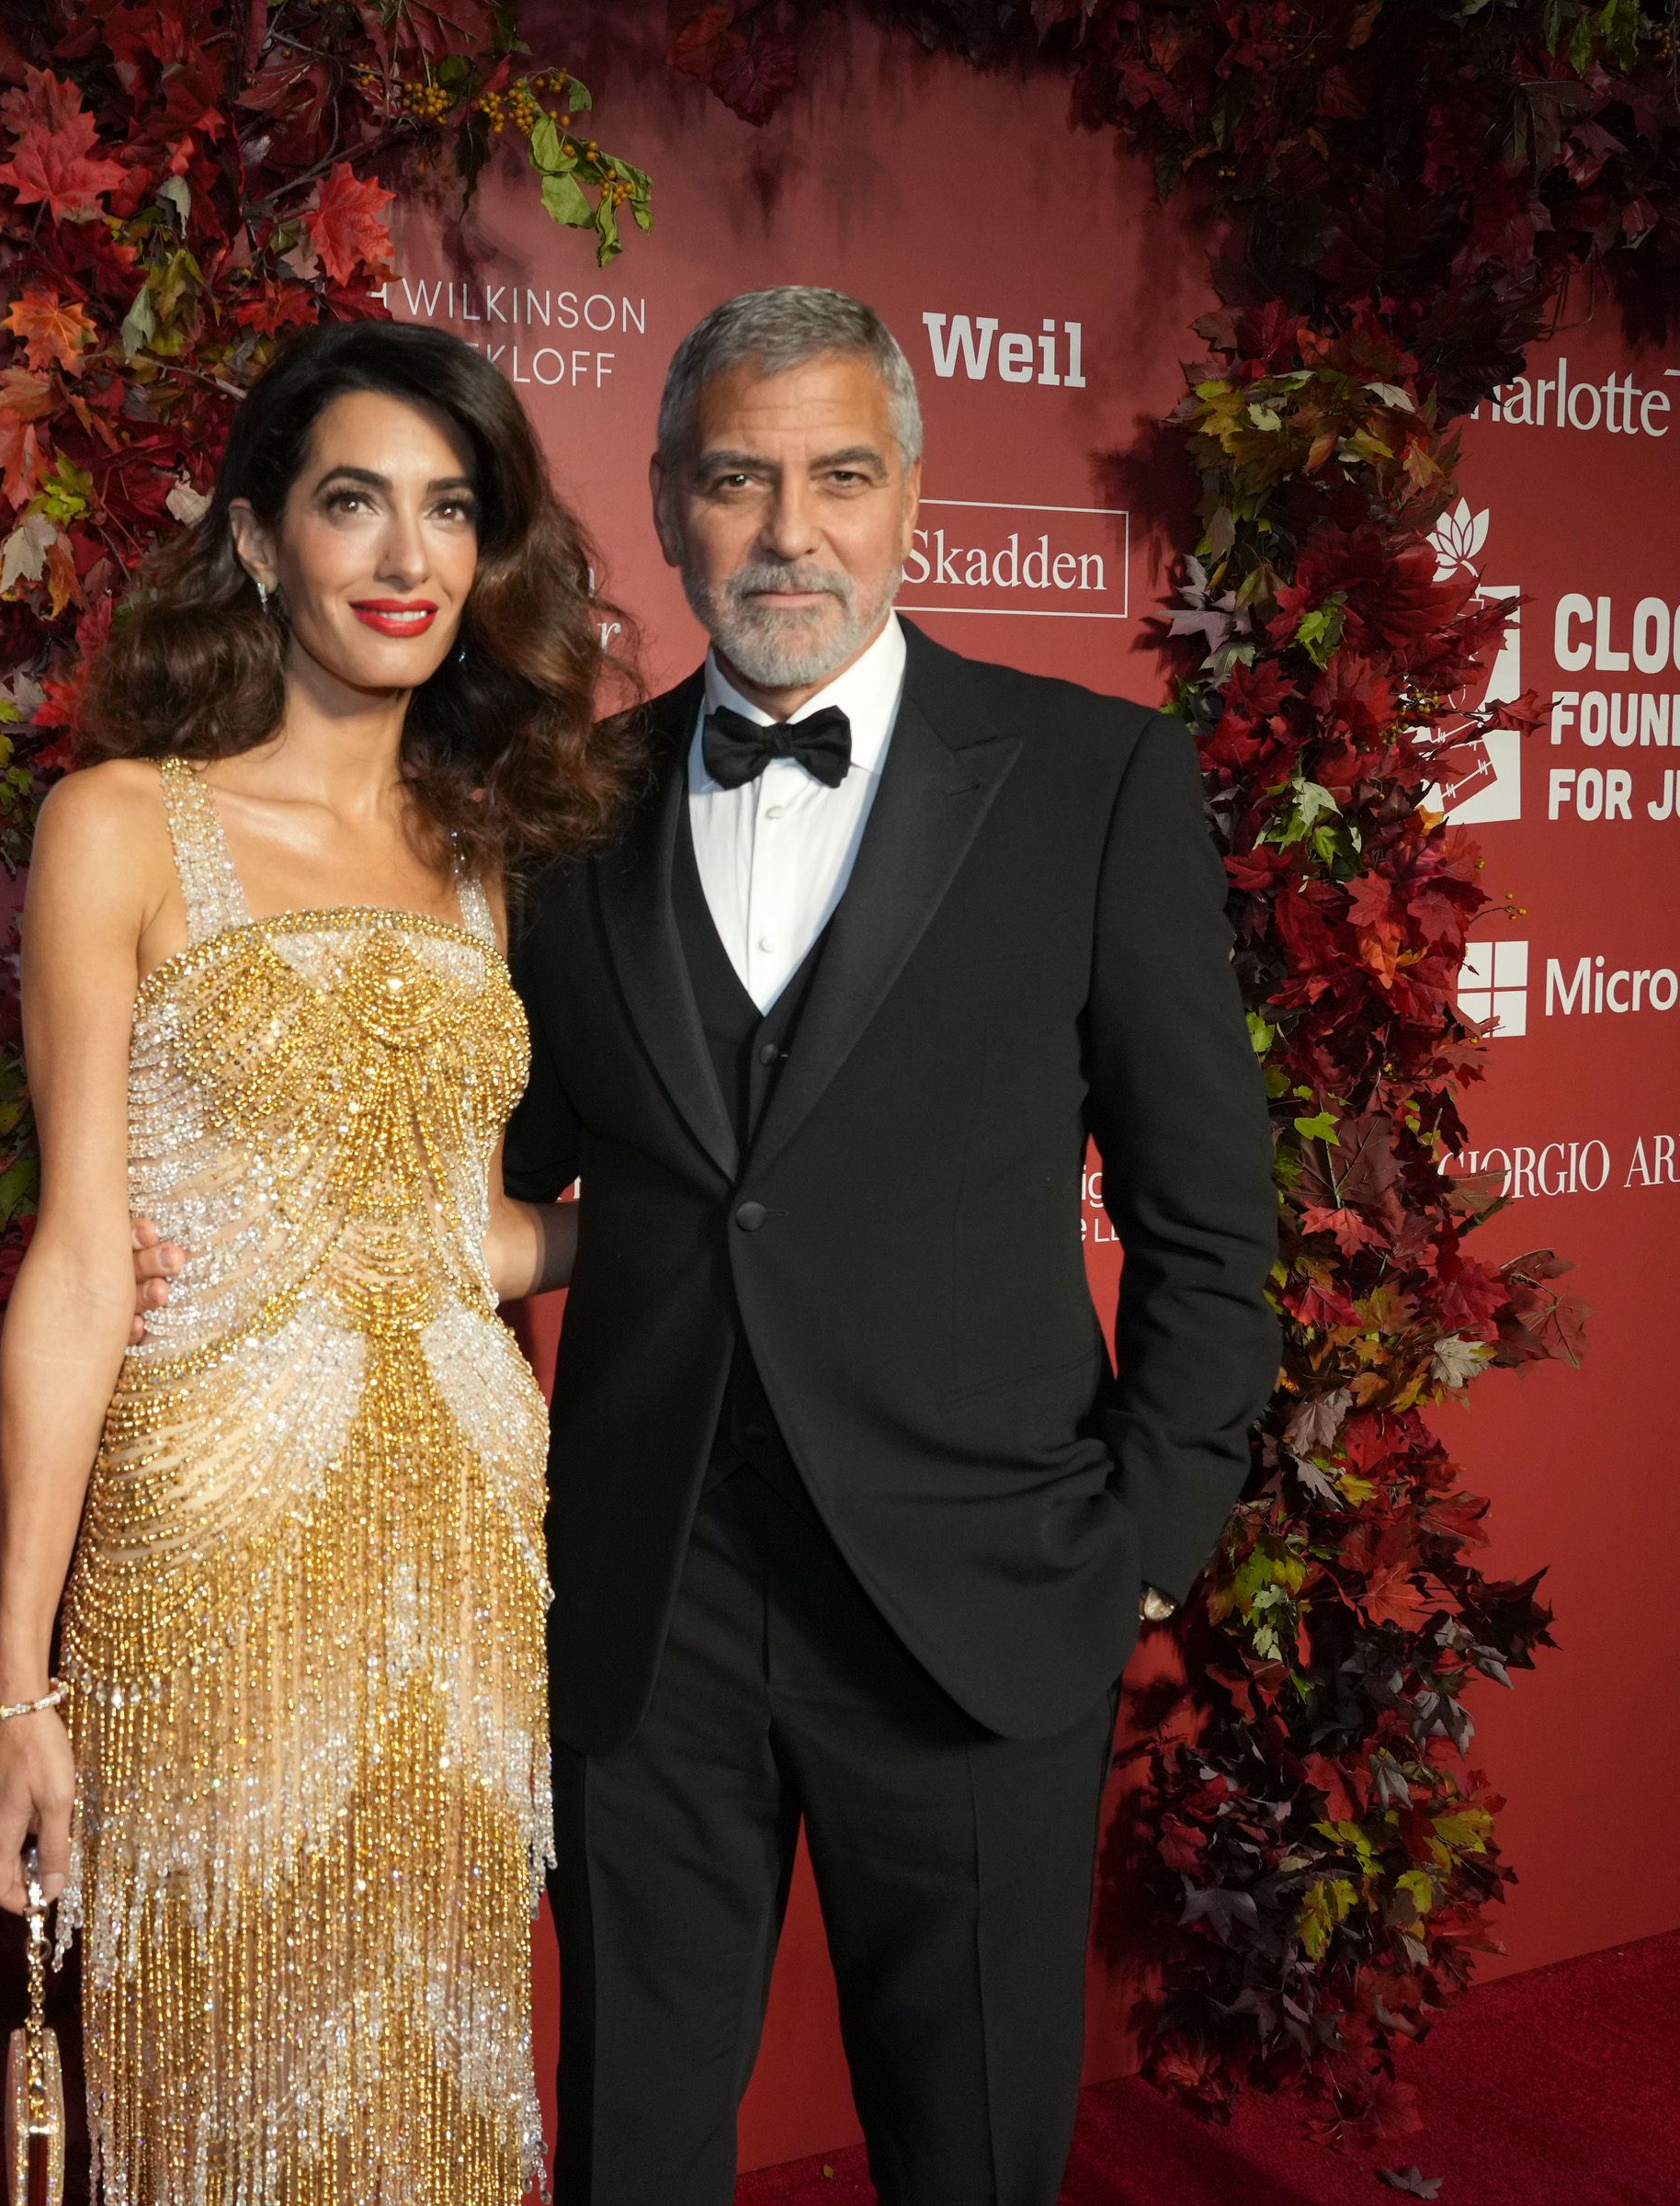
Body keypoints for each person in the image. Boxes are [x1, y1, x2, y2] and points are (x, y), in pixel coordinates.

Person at [505, 287, 1280, 2202]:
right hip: (648, 1598)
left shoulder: (1094, 783)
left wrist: (1150, 1548)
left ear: (911, 497)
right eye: (741, 480)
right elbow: (495, 1172)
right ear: (673, 504)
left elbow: (1209, 1215)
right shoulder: (561, 813)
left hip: (981, 1601)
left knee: (975, 2151)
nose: (792, 533)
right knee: (633, 2147)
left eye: (841, 476)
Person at [0, 318, 630, 2206]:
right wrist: (17, 1693)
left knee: (433, 2067)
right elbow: (84, 1262)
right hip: (216, 1554)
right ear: (264, 541)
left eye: (449, 510)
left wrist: (698, 1230)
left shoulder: (488, 856)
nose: (408, 558)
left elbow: (472, 1227)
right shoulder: (122, 826)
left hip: (462, 1557)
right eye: (357, 503)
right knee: (228, 2073)